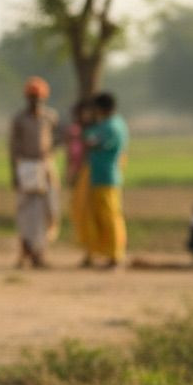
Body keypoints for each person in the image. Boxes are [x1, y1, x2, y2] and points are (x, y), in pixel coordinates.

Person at [8, 76, 59, 268]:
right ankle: (25, 252)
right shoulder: (19, 119)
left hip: (46, 166)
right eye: (32, 97)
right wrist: (14, 173)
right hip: (27, 167)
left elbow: (59, 137)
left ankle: (40, 253)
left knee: (49, 211)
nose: (35, 101)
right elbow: (13, 147)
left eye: (38, 98)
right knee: (27, 212)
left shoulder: (50, 117)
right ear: (27, 98)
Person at [82, 92, 129, 269]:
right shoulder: (115, 123)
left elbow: (92, 142)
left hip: (106, 177)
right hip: (101, 176)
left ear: (101, 108)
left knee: (110, 217)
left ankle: (115, 256)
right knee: (100, 216)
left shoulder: (110, 126)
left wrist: (86, 128)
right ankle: (102, 253)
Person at [65, 99, 97, 266]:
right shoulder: (74, 131)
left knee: (91, 214)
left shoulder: (93, 131)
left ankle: (94, 251)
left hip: (91, 174)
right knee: (80, 213)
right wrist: (70, 172)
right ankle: (88, 252)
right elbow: (71, 155)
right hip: (79, 175)